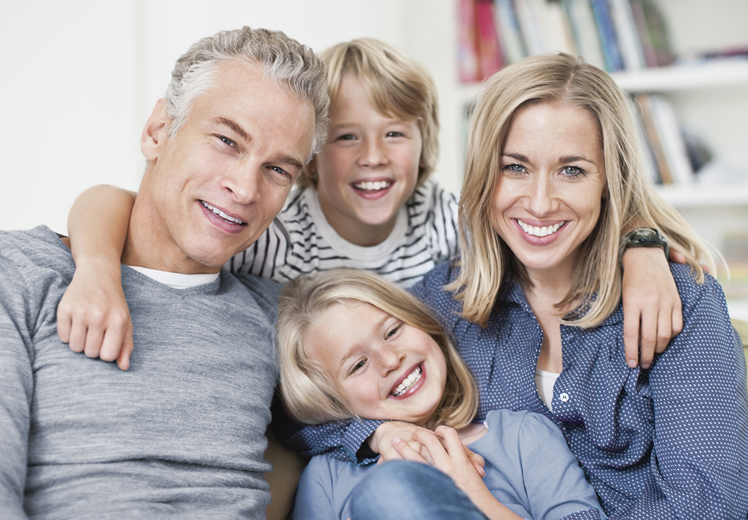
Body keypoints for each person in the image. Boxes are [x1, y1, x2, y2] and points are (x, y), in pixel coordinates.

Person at [285, 53, 748, 519]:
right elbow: (302, 408)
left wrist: (642, 241)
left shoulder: (677, 302)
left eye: (572, 170)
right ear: (487, 173)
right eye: (515, 168)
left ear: (609, 178)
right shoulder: (449, 298)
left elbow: (712, 505)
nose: (541, 203)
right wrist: (375, 434)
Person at [59, 39, 681, 372]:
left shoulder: (446, 217)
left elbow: (547, 218)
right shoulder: (277, 228)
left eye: (395, 133)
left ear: (425, 141)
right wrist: (94, 268)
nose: (373, 157)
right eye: (346, 137)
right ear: (305, 159)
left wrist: (644, 248)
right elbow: (115, 201)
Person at [0, 26, 328, 519]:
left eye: (278, 170)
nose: (244, 188)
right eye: (226, 140)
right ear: (158, 131)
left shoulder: (275, 313)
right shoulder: (24, 275)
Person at [277, 269, 607, 520]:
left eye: (393, 330)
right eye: (358, 365)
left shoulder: (522, 436)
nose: (391, 360)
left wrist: (474, 496)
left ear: (424, 324)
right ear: (333, 399)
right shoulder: (328, 476)